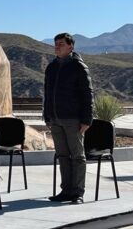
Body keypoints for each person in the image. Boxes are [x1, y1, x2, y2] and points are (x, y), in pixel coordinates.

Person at [44, 32, 94, 205]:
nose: (57, 47)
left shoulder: (79, 67)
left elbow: (88, 95)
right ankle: (66, 190)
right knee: (63, 156)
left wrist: (87, 119)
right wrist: (47, 116)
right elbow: (47, 94)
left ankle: (78, 192)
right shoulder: (51, 67)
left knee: (78, 156)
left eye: (61, 44)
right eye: (56, 44)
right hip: (55, 119)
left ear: (71, 46)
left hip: (73, 119)